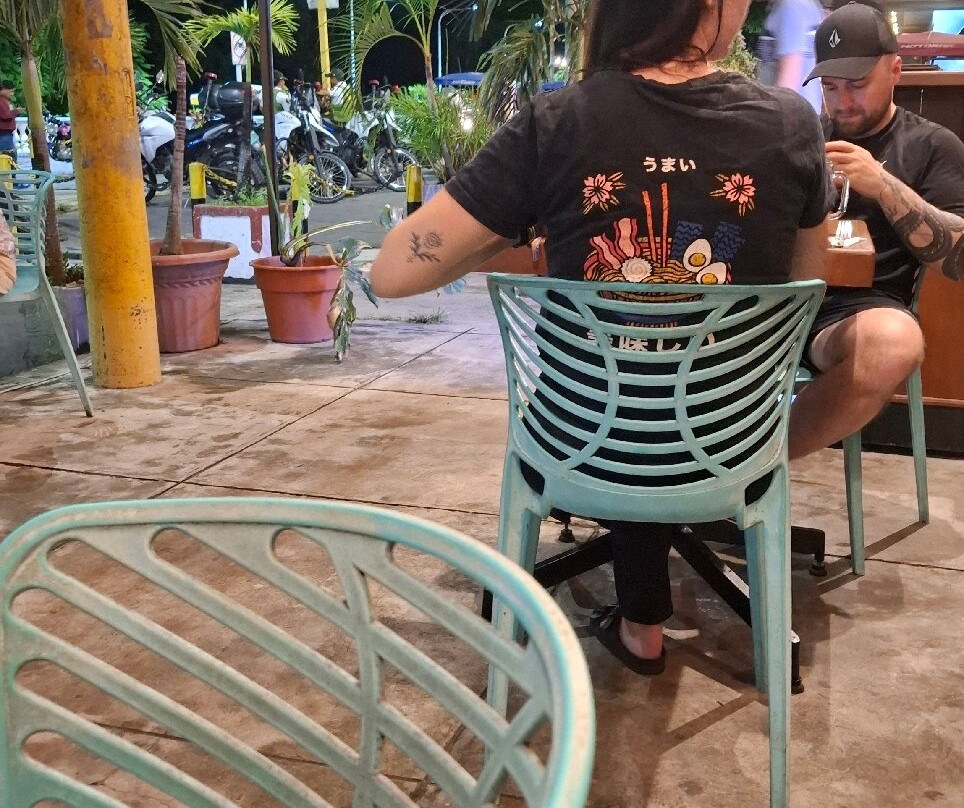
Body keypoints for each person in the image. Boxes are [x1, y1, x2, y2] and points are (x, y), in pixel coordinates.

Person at [370, 0, 830, 674]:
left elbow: (390, 272)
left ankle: (641, 623)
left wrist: (509, 225)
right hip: (731, 446)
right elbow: (806, 288)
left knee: (627, 393)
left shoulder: (557, 123)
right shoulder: (792, 124)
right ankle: (648, 616)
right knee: (665, 395)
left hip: (581, 445)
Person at [788, 1, 964, 460]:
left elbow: (958, 261)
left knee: (894, 343)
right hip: (775, 301)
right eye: (830, 87)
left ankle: (756, 466)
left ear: (895, 70)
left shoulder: (931, 146)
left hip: (852, 314)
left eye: (857, 85)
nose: (842, 102)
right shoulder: (802, 138)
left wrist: (883, 184)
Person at [755, 0, 826, 114]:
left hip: (788, 118)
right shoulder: (806, 4)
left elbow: (787, 85)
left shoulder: (790, 6)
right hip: (804, 117)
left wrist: (772, 119)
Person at [0, 80, 24, 164]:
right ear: (3, 89)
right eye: (11, 91)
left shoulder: (4, 100)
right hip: (3, 134)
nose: (12, 94)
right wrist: (16, 111)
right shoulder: (1, 101)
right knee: (8, 157)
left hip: (6, 134)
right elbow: (5, 115)